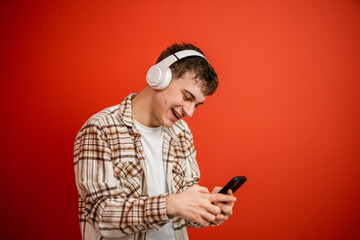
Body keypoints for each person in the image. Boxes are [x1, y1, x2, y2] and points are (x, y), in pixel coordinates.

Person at [74, 43, 237, 240]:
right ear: (159, 77)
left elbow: (182, 213)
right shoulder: (100, 128)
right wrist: (171, 204)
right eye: (186, 97)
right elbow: (101, 216)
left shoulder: (181, 132)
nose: (190, 112)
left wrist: (208, 209)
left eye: (196, 105)